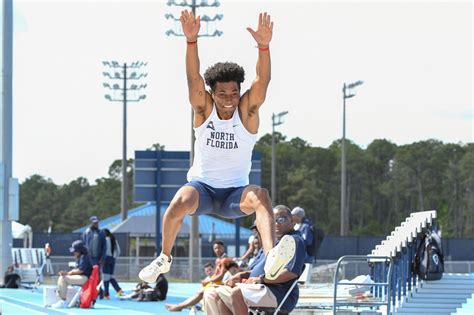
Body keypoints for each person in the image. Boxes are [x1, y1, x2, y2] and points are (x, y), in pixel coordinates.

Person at [139, 10, 280, 283]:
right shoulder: (203, 110)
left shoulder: (248, 112)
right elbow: (193, 79)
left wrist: (264, 47)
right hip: (202, 188)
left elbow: (262, 82)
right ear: (211, 94)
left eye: (234, 93)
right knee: (179, 201)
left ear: (240, 92)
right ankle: (164, 258)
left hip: (234, 194)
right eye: (222, 94)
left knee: (261, 195)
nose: (229, 99)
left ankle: (272, 254)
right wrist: (191, 42)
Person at [203, 205, 306, 315]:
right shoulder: (274, 243)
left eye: (281, 219)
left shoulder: (294, 241)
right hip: (258, 288)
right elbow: (265, 271)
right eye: (273, 220)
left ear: (292, 220)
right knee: (211, 293)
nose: (276, 223)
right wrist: (243, 275)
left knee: (238, 293)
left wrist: (262, 280)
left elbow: (291, 273)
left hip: (279, 293)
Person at [165, 241, 229, 312]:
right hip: (217, 283)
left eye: (219, 248)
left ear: (223, 248)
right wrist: (208, 281)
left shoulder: (225, 259)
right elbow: (217, 275)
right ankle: (180, 306)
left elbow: (221, 276)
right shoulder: (218, 260)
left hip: (224, 284)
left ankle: (180, 306)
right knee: (199, 292)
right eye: (215, 248)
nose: (217, 250)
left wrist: (208, 281)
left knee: (201, 293)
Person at [51, 240, 92, 309]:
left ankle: (63, 301)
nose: (73, 252)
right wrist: (67, 273)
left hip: (85, 278)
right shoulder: (80, 257)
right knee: (62, 277)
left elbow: (80, 270)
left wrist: (67, 273)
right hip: (82, 276)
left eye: (75, 251)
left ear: (79, 250)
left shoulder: (84, 257)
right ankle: (62, 300)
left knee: (63, 279)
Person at [102, 228, 124, 299]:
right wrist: (114, 257)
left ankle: (106, 294)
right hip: (113, 259)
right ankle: (119, 290)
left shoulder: (105, 239)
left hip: (106, 259)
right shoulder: (114, 239)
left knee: (106, 277)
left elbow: (103, 250)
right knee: (110, 276)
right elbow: (119, 251)